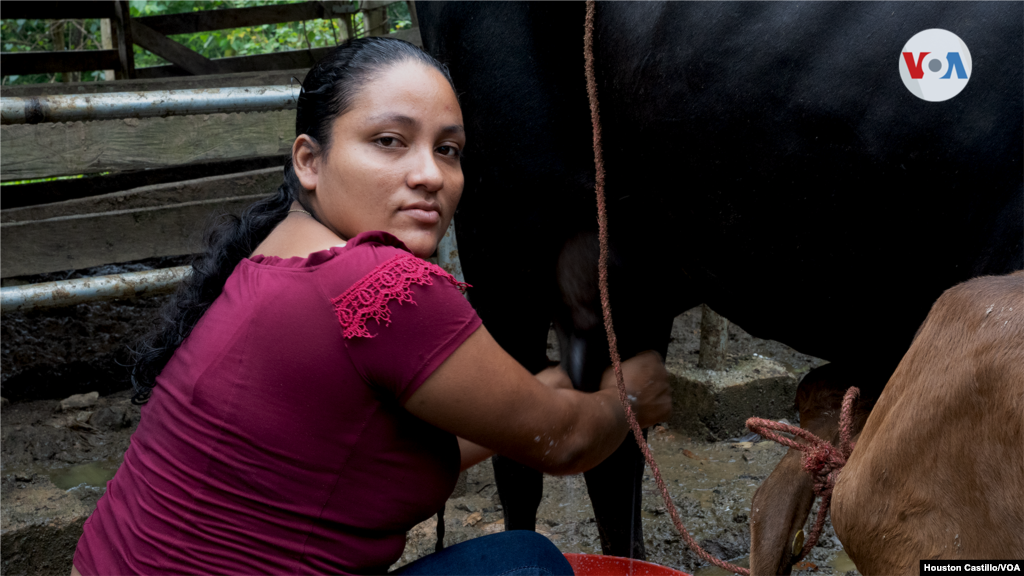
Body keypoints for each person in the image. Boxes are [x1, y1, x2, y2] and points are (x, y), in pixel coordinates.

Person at [71, 37, 672, 576]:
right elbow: (565, 444)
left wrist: (539, 391)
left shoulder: (275, 257)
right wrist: (630, 397)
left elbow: (373, 449)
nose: (430, 174)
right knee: (528, 564)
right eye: (389, 142)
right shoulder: (381, 285)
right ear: (309, 161)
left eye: (450, 150)